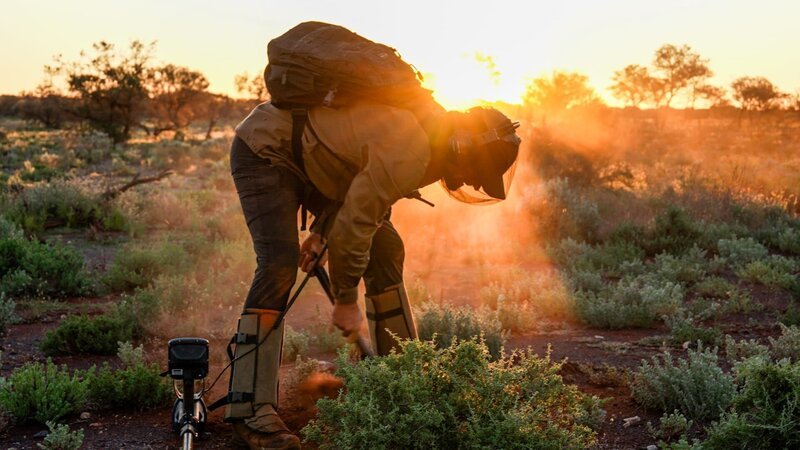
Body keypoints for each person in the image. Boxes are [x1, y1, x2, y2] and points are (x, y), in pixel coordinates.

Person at [224, 81, 520, 449]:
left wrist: (322, 231)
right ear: (466, 148)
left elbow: (359, 188)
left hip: (316, 160)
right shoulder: (415, 146)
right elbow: (355, 227)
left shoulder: (433, 142)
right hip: (268, 149)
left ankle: (399, 380)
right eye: (473, 174)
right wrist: (346, 299)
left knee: (385, 247)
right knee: (278, 263)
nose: (465, 181)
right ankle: (250, 409)